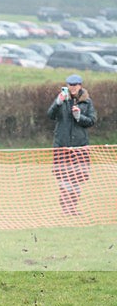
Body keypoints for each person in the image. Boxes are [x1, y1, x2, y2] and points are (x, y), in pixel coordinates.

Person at [47, 74, 97, 215]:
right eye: (70, 85)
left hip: (80, 147)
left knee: (76, 180)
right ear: (67, 86)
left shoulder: (87, 102)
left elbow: (92, 121)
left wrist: (79, 117)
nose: (72, 87)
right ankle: (65, 209)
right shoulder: (61, 100)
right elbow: (50, 115)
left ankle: (73, 208)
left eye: (75, 85)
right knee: (64, 180)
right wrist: (57, 103)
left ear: (80, 86)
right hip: (62, 146)